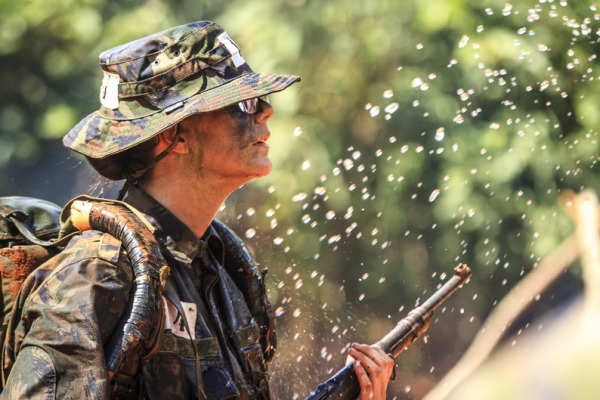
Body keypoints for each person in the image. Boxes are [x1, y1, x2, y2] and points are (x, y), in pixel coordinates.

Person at [1, 21, 394, 399]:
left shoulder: (224, 271)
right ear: (174, 134)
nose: (265, 112)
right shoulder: (96, 278)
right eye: (242, 103)